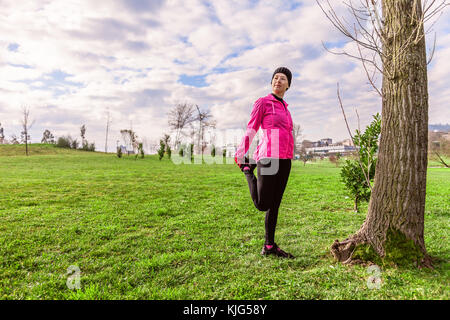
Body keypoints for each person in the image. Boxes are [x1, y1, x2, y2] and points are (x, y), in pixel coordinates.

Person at [234, 67, 295, 258]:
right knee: (262, 204)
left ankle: (269, 246)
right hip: (268, 157)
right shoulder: (263, 102)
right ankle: (247, 169)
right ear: (272, 82)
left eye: (283, 78)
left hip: (285, 159)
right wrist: (241, 153)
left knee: (275, 204)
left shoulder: (285, 107)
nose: (278, 80)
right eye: (275, 78)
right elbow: (252, 127)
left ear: (288, 85)